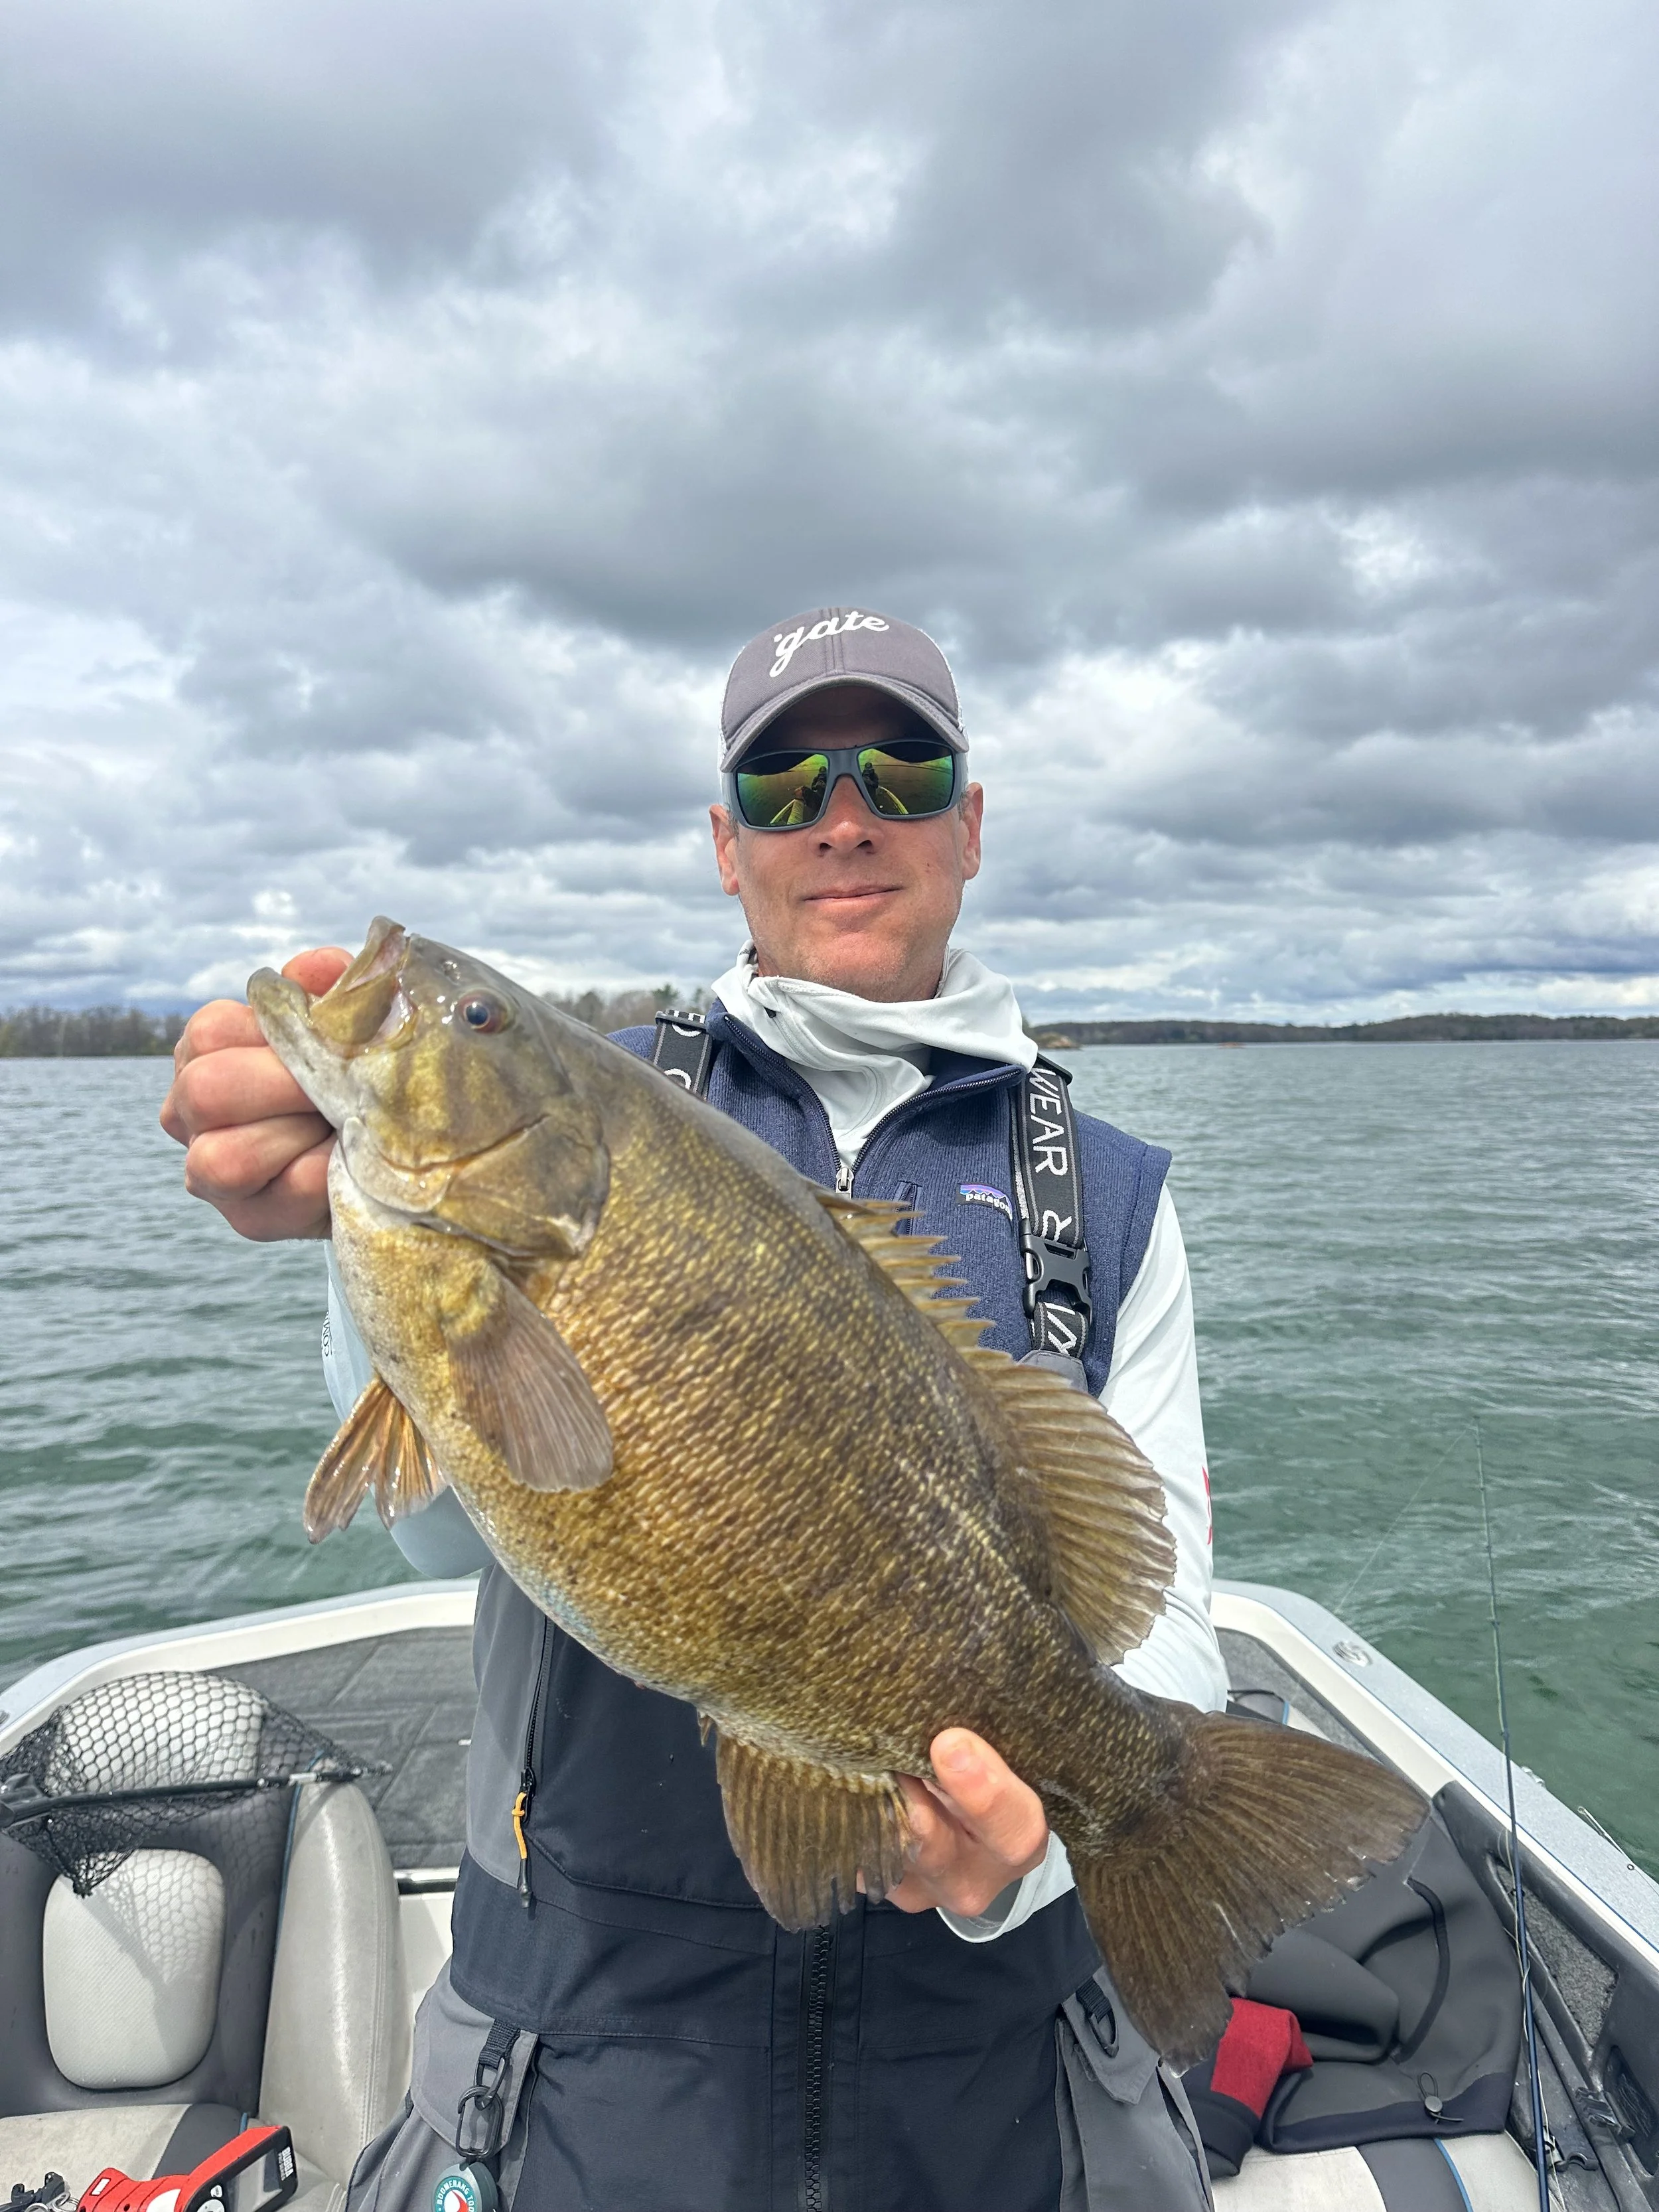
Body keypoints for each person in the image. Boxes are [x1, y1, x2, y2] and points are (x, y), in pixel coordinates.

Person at [163, 609, 1222, 2211]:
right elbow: (449, 1529)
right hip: (589, 2065)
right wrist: (354, 1247)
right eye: (785, 784)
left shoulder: (1114, 1203)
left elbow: (1160, 1631)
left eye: (899, 770)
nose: (843, 815)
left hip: (984, 2088)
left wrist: (1031, 1863)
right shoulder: (610, 1104)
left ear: (971, 822)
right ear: (726, 846)